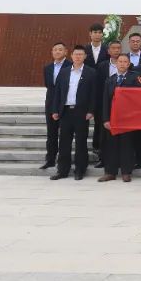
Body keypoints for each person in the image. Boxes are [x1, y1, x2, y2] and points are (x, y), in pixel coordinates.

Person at [50, 45, 98, 181]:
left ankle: (80, 170)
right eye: (75, 54)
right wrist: (55, 110)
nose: (78, 57)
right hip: (65, 111)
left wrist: (91, 111)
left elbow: (94, 94)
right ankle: (62, 170)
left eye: (80, 54)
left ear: (85, 56)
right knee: (64, 142)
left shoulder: (91, 72)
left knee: (81, 142)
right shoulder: (64, 72)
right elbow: (58, 92)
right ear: (71, 56)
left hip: (81, 112)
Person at [99, 51, 141, 183]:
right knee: (111, 145)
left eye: (125, 62)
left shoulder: (135, 78)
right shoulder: (110, 79)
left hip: (127, 118)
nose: (122, 64)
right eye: (120, 62)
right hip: (113, 118)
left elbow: (138, 98)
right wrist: (106, 119)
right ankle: (110, 172)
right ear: (116, 64)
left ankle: (126, 172)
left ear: (129, 64)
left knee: (127, 145)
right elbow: (105, 101)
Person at [40, 42, 68, 170]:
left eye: (60, 49)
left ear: (65, 52)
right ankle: (50, 159)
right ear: (52, 52)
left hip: (65, 104)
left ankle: (63, 160)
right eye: (55, 49)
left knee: (65, 134)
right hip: (51, 103)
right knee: (51, 133)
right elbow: (48, 85)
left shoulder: (70, 66)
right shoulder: (48, 67)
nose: (57, 52)